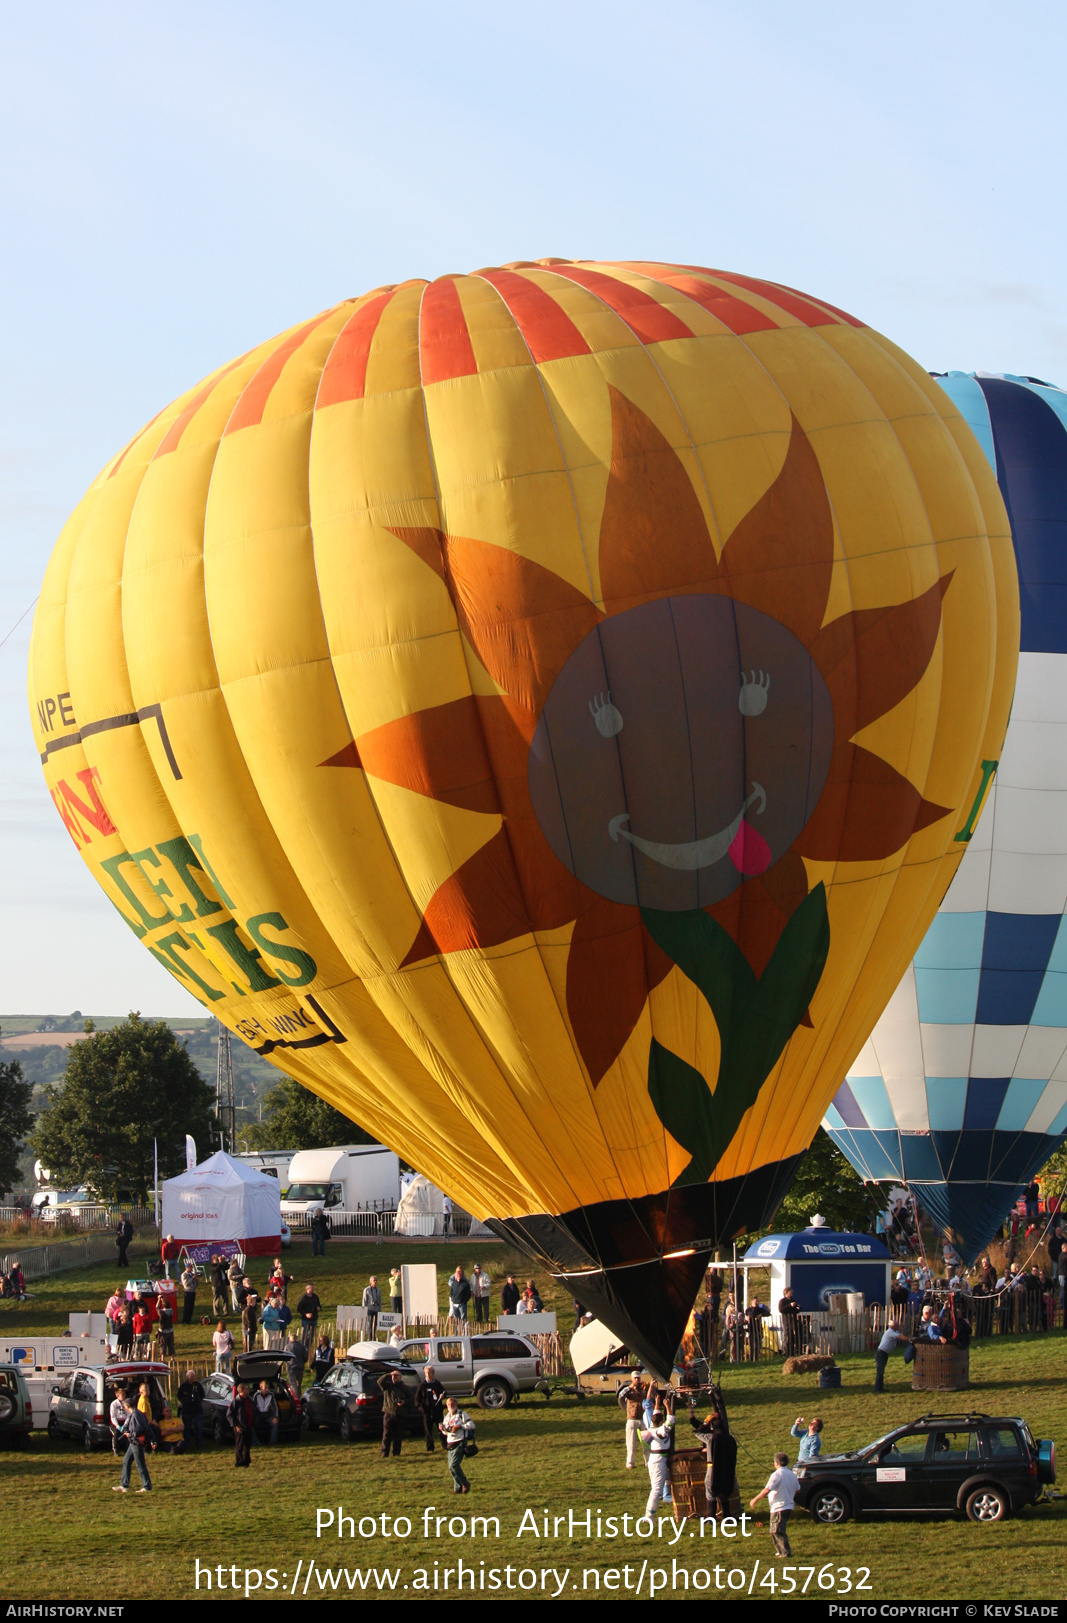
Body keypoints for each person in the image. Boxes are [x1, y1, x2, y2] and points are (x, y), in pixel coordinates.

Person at [690, 1408, 737, 1518]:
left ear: (712, 1427)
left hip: (713, 1468)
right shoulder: (730, 1439)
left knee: (710, 1492)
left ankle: (711, 1517)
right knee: (723, 1493)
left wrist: (706, 1422)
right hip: (727, 1469)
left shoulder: (711, 1438)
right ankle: (727, 1517)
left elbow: (698, 1433)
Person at [750, 1452, 798, 1558]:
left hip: (779, 1506)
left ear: (776, 1462)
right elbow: (797, 1489)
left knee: (778, 1530)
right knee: (774, 1530)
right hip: (788, 1505)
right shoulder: (792, 1474)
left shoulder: (777, 1475)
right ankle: (780, 1551)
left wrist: (755, 1499)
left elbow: (767, 1489)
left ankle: (785, 1552)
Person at [638, 1394, 675, 1521]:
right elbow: (670, 1421)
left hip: (654, 1459)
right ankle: (648, 1516)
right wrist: (668, 1406)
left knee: (662, 1483)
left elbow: (657, 1416)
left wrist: (658, 1403)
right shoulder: (660, 1431)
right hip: (659, 1461)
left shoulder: (652, 1427)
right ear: (660, 1422)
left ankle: (666, 1498)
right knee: (656, 1490)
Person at [111, 1397, 152, 1494]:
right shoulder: (138, 1413)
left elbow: (139, 1429)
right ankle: (124, 1485)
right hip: (133, 1442)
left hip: (136, 1442)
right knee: (126, 1461)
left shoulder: (135, 1415)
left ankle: (147, 1486)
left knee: (140, 1465)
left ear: (127, 1406)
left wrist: (130, 1434)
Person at [439, 1395, 472, 1493]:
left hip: (460, 1442)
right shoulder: (447, 1416)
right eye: (448, 1404)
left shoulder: (462, 1414)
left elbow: (471, 1425)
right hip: (450, 1443)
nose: (450, 1405)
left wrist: (460, 1426)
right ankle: (457, 1488)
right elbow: (445, 1432)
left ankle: (465, 1484)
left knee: (454, 1465)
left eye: (452, 1404)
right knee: (450, 1466)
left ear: (456, 1404)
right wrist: (443, 1430)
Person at [617, 1374, 647, 1469]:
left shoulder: (643, 1389)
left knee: (646, 1443)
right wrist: (630, 1387)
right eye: (635, 1378)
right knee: (631, 1443)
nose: (637, 1380)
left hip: (643, 1419)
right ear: (632, 1379)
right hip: (632, 1419)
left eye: (638, 1378)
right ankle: (630, 1462)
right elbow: (620, 1396)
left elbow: (651, 1395)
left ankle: (648, 1461)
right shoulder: (628, 1390)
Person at [415, 1365, 445, 1453]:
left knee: (442, 1428)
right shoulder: (422, 1385)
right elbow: (417, 1398)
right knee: (428, 1430)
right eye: (426, 1373)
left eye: (429, 1373)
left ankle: (446, 1446)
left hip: (438, 1411)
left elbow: (443, 1391)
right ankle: (430, 1448)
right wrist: (419, 1407)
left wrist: (442, 1395)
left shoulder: (437, 1383)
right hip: (427, 1412)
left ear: (433, 1373)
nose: (427, 1374)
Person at [378, 1369, 407, 1458]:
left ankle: (396, 1453)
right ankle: (384, 1453)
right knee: (386, 1435)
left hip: (400, 1414)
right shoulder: (387, 1387)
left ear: (400, 1377)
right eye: (393, 1376)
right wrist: (388, 1374)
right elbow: (379, 1381)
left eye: (396, 1376)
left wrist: (404, 1402)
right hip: (388, 1413)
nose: (394, 1377)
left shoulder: (404, 1387)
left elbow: (411, 1399)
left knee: (398, 1435)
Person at [874, 1321, 910, 1392]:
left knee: (881, 1372)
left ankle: (880, 1388)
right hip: (881, 1353)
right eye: (896, 1325)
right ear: (893, 1326)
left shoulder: (895, 1332)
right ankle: (877, 1389)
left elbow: (901, 1336)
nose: (898, 1326)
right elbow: (900, 1337)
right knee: (880, 1372)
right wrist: (910, 1340)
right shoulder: (890, 1332)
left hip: (884, 1353)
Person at [229, 1382, 255, 1468]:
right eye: (246, 1389)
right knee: (240, 1445)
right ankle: (239, 1462)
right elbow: (229, 1415)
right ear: (241, 1391)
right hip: (240, 1427)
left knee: (247, 1445)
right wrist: (236, 1425)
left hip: (249, 1426)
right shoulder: (236, 1401)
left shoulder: (250, 1399)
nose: (248, 1390)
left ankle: (246, 1461)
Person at [176, 1369, 205, 1448]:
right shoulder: (183, 1386)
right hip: (187, 1411)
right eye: (191, 1376)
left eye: (194, 1376)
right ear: (187, 1377)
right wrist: (185, 1402)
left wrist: (197, 1400)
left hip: (197, 1410)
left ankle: (199, 1444)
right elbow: (179, 1396)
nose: (193, 1378)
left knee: (198, 1427)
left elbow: (202, 1395)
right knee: (187, 1427)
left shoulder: (198, 1385)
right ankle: (187, 1443)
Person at [253, 1378, 279, 1445]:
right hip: (259, 1415)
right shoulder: (256, 1395)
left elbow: (275, 1407)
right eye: (265, 1388)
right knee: (252, 1425)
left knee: (275, 1424)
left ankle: (272, 1442)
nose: (267, 1390)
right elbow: (253, 1407)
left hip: (267, 1415)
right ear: (261, 1387)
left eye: (268, 1388)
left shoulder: (271, 1395)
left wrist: (275, 1417)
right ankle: (256, 1442)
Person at [778, 1287, 801, 1358]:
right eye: (790, 1292)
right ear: (786, 1293)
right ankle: (785, 1353)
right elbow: (781, 1309)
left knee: (792, 1337)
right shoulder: (782, 1301)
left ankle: (791, 1352)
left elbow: (795, 1310)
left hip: (793, 1321)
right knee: (787, 1337)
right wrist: (789, 1306)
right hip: (786, 1321)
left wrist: (798, 1308)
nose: (792, 1294)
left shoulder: (792, 1300)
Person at [105, 1286, 126, 1353]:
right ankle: (118, 1343)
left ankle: (112, 1345)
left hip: (111, 1316)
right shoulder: (123, 1300)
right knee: (118, 1331)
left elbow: (108, 1307)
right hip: (118, 1317)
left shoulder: (111, 1299)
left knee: (112, 1330)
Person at [155, 1292, 176, 1359]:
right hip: (170, 1330)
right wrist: (163, 1299)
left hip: (163, 1331)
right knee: (171, 1344)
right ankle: (172, 1357)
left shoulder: (161, 1313)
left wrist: (159, 1299)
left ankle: (162, 1358)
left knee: (163, 1345)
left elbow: (157, 1307)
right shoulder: (171, 1311)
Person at [241, 1288, 260, 1354]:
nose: (255, 1303)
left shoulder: (252, 1309)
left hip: (252, 1328)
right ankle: (247, 1353)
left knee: (251, 1342)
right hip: (249, 1328)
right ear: (250, 1302)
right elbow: (248, 1319)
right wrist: (249, 1327)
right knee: (248, 1342)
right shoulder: (248, 1310)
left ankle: (250, 1352)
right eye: (254, 1301)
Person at [180, 1261, 199, 1325]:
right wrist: (192, 1279)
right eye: (190, 1267)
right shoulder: (184, 1275)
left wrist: (196, 1278)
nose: (191, 1269)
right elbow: (186, 1284)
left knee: (191, 1306)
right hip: (188, 1291)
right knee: (187, 1307)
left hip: (193, 1291)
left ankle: (189, 1319)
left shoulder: (191, 1274)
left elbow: (196, 1282)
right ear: (187, 1268)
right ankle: (185, 1320)